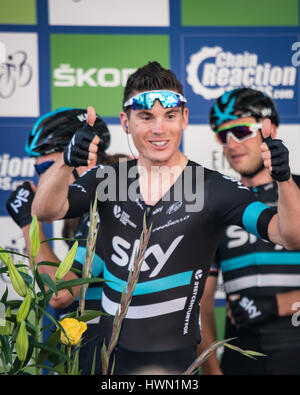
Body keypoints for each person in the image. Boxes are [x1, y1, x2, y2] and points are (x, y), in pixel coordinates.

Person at [32, 62, 300, 375]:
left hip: (176, 367)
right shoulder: (108, 179)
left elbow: (289, 235)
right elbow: (46, 210)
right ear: (126, 122)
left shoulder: (213, 187)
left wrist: (283, 179)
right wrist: (66, 162)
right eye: (146, 117)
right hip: (106, 363)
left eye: (169, 116)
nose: (159, 129)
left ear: (184, 118)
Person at [198, 88, 300, 375]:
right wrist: (212, 370)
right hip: (239, 354)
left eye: (241, 131)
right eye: (222, 135)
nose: (232, 143)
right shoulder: (219, 203)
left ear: (269, 129)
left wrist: (276, 305)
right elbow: (203, 302)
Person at [6, 107, 111, 374]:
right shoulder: (84, 203)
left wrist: (30, 223)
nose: (42, 178)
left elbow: (60, 293)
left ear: (85, 158)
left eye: (46, 166)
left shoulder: (107, 201)